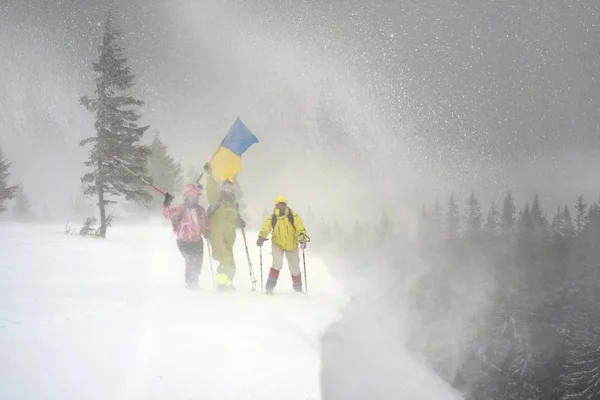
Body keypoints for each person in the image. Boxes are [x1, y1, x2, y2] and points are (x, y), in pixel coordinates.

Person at [204, 163, 246, 290]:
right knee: (225, 261)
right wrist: (209, 174)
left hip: (228, 240)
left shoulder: (234, 204)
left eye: (230, 188)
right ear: (222, 190)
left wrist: (240, 222)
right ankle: (221, 284)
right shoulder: (216, 200)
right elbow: (211, 188)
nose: (228, 190)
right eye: (225, 188)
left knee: (231, 265)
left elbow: (234, 219)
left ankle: (227, 283)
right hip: (217, 237)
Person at [256, 196, 308, 294]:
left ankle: (298, 288)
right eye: (278, 205)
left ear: (286, 205)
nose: (280, 206)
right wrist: (261, 237)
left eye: (283, 204)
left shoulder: (293, 216)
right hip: (277, 245)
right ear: (275, 206)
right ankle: (269, 288)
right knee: (277, 264)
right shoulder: (272, 217)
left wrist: (302, 238)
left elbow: (300, 228)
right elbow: (265, 229)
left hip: (291, 245)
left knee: (295, 268)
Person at [162, 183, 210, 290]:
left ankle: (195, 281)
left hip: (197, 241)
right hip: (183, 242)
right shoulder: (180, 208)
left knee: (198, 262)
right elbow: (167, 214)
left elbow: (205, 222)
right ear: (186, 196)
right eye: (192, 196)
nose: (195, 198)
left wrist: (207, 230)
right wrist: (166, 203)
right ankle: (190, 283)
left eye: (196, 196)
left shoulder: (200, 210)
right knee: (190, 260)